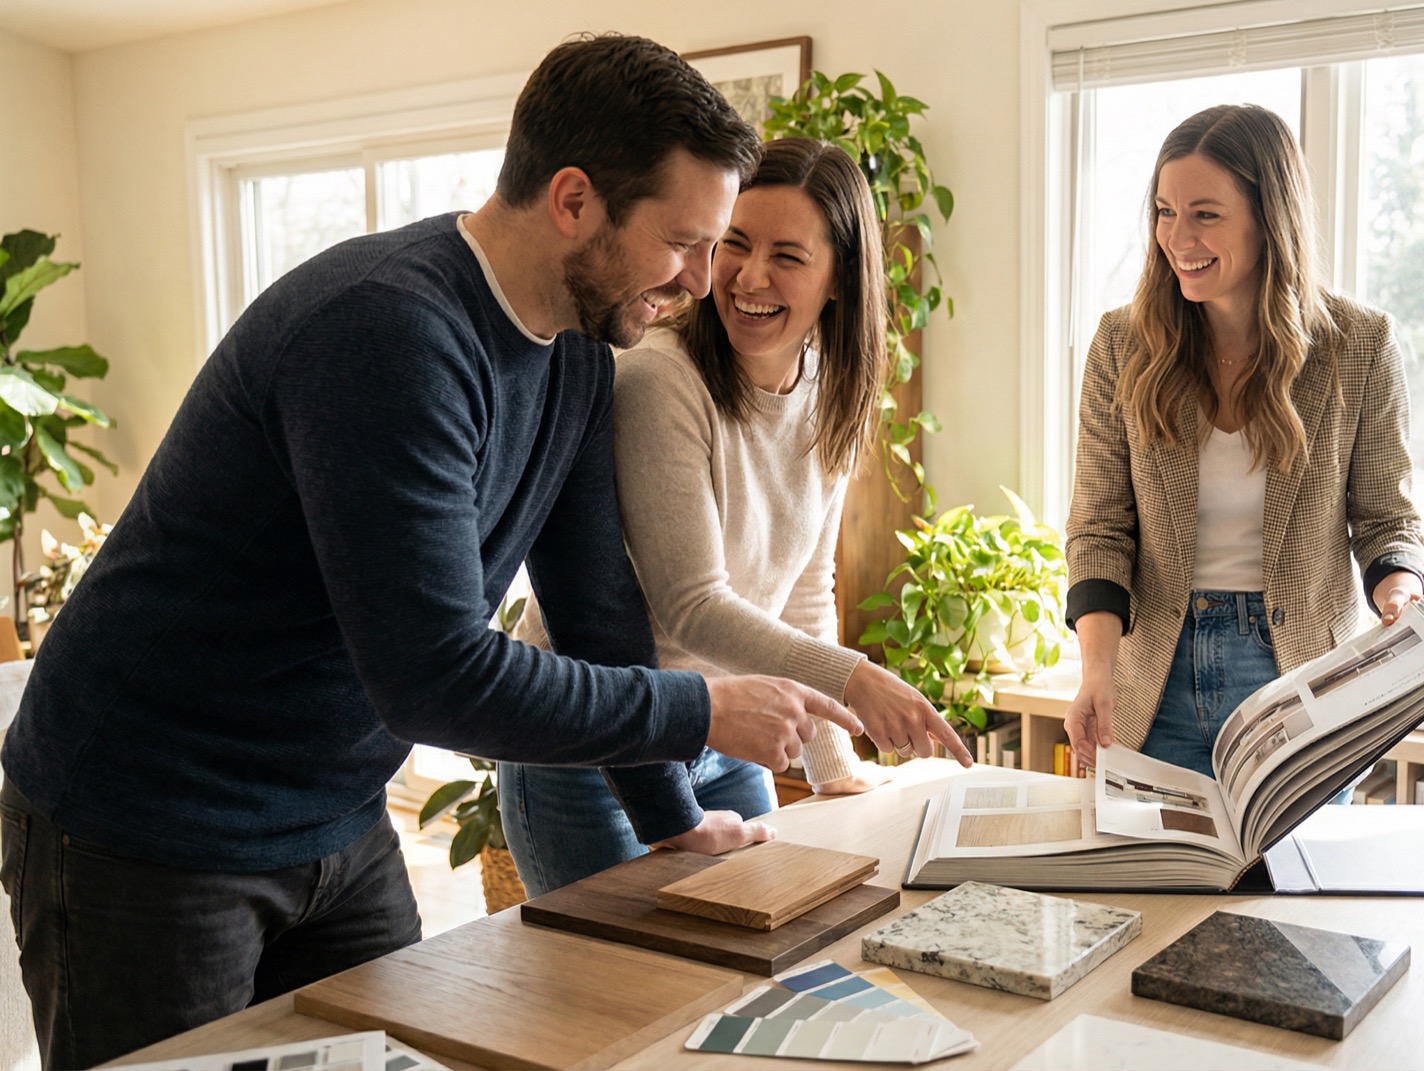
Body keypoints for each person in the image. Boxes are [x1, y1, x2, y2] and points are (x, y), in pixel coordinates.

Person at [0, 35, 876, 1069]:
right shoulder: (387, 332)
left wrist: (670, 818)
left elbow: (596, 610)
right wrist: (702, 709)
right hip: (150, 819)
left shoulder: (583, 355)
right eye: (684, 242)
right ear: (573, 201)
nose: (700, 281)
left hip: (335, 811)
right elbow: (434, 674)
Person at [498, 138, 969, 896]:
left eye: (788, 255)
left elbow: (807, 591)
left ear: (839, 278)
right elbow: (692, 605)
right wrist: (857, 681)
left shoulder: (829, 389)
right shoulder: (659, 377)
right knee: (626, 999)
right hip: (594, 748)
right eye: (736, 245)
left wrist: (834, 767)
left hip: (725, 733)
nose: (750, 277)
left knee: (752, 975)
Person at [1063, 103, 1424, 779]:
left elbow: (1387, 518)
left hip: (1303, 685)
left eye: (1205, 213)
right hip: (1151, 683)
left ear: (1269, 217)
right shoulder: (1123, 343)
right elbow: (1098, 528)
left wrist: (1399, 591)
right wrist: (1096, 670)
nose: (1178, 236)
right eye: (1165, 212)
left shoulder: (1360, 344)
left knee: (1281, 887)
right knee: (1150, 883)